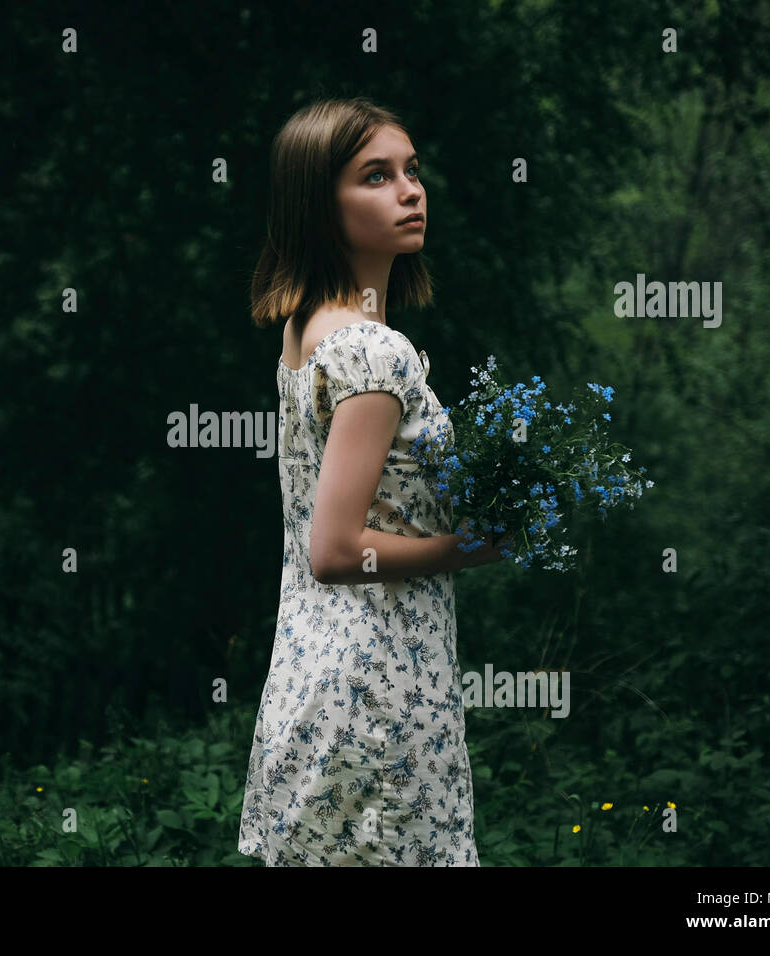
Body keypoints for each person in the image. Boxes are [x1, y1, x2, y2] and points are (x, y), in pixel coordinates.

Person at [238, 97, 510, 866]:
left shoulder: (307, 329)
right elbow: (334, 549)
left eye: (412, 171)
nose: (411, 190)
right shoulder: (372, 350)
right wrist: (470, 548)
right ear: (319, 205)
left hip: (311, 670)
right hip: (378, 687)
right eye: (376, 176)